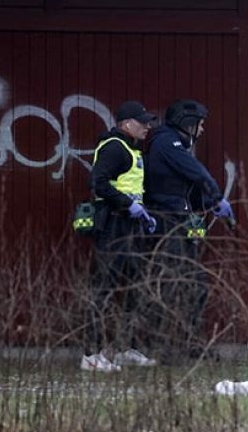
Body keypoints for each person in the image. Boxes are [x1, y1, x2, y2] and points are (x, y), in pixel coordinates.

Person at [143, 98, 233, 361]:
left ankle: (193, 343)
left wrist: (207, 204)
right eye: (200, 124)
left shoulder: (177, 145)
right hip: (166, 222)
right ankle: (166, 348)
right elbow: (196, 172)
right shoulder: (166, 142)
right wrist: (216, 196)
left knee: (195, 285)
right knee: (172, 284)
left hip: (179, 220)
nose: (202, 130)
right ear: (187, 122)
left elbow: (182, 189)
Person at [83, 100, 159, 372]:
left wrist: (142, 213)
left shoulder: (131, 149)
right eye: (142, 122)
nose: (148, 127)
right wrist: (129, 206)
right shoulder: (115, 147)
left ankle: (125, 348)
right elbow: (98, 183)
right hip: (114, 226)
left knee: (133, 290)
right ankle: (91, 355)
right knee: (103, 290)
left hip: (130, 227)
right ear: (127, 124)